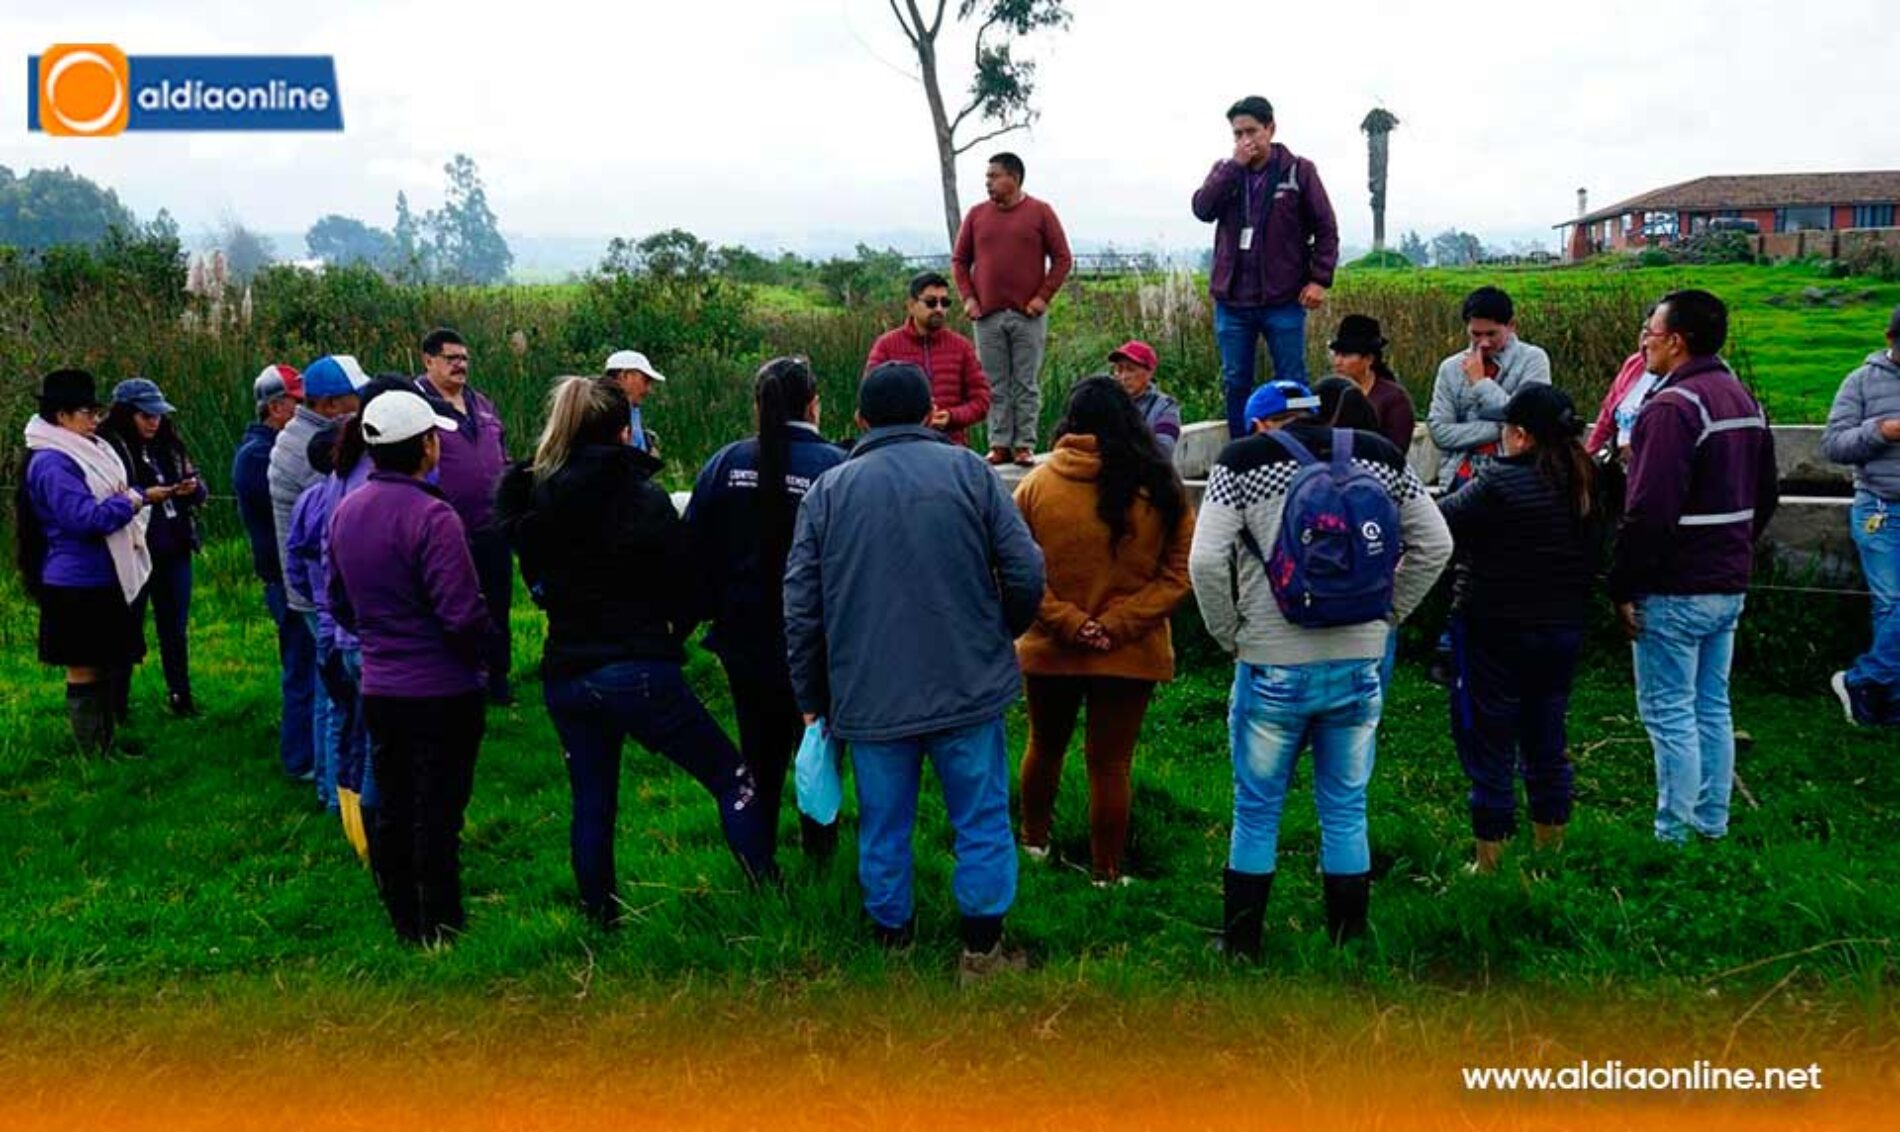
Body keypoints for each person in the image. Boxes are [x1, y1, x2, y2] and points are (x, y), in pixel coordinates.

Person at [784, 362, 1045, 983]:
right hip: (968, 684)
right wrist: (996, 633)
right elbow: (1026, 571)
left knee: (883, 822)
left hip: (869, 694)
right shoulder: (970, 474)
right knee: (980, 817)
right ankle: (981, 953)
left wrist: (811, 694)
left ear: (860, 421)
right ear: (932, 413)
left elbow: (801, 605)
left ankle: (892, 945)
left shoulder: (828, 491)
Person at [1188, 379, 1451, 960]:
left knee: (1256, 808)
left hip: (1272, 661)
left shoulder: (1242, 462)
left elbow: (1206, 560)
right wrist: (1389, 614)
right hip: (1359, 661)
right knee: (1345, 804)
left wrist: (1230, 634)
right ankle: (1346, 941)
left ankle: (1242, 945)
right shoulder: (1378, 456)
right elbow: (1435, 542)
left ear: (1264, 423)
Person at [498, 376, 775, 925]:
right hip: (637, 665)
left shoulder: (532, 498)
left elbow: (538, 583)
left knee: (593, 802)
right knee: (732, 778)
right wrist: (670, 636)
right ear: (624, 432)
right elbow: (687, 586)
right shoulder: (641, 499)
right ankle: (770, 896)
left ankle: (599, 918)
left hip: (566, 671)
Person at [1608, 290, 1778, 844]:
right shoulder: (1742, 399)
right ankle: (1712, 824)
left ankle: (1674, 836)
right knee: (1711, 705)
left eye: (1651, 332)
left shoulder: (1672, 408)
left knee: (1670, 713)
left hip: (1675, 585)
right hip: (1727, 580)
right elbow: (1767, 494)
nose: (1645, 341)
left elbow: (1649, 510)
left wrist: (1626, 584)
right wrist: (1733, 543)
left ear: (1676, 342)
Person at [1013, 376, 1194, 886]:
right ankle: (1106, 872)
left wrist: (1070, 623)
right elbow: (1179, 576)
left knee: (1044, 746)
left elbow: (1017, 573)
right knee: (1110, 764)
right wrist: (1115, 625)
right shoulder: (1161, 487)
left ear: (1070, 422)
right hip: (1129, 651)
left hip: (1051, 648)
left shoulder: (1036, 487)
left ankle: (1032, 844)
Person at [327, 390, 489, 945]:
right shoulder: (433, 516)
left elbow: (340, 601)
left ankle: (403, 920)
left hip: (381, 685)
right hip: (443, 688)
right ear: (425, 445)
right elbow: (461, 613)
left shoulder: (346, 511)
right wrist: (482, 657)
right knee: (439, 809)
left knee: (394, 804)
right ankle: (442, 923)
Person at [685, 357, 848, 860]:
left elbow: (691, 546)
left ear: (757, 406)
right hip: (819, 640)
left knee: (758, 751)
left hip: (743, 638)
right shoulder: (836, 468)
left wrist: (713, 609)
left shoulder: (725, 463)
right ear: (814, 404)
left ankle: (758, 858)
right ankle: (819, 850)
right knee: (817, 744)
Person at [1437, 385, 1601, 872]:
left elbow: (1439, 521)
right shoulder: (1589, 479)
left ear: (1522, 435)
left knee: (1488, 742)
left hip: (1494, 630)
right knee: (1546, 739)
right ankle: (1549, 852)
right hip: (1562, 630)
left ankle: (1492, 861)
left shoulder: (1499, 483)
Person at [16, 369, 156, 756]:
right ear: (61, 417)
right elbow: (83, 519)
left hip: (101, 574)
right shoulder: (52, 463)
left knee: (106, 662)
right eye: (87, 413)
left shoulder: (86, 450)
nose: (95, 421)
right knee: (83, 666)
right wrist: (131, 501)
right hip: (74, 580)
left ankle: (105, 744)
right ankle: (89, 752)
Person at [1191, 95, 1340, 439]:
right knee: (1235, 380)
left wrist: (1319, 279)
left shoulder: (1299, 171)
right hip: (1232, 301)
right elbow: (1202, 209)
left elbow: (1326, 228)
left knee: (1293, 379)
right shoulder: (1225, 172)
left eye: (1252, 131)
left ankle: (1301, 448)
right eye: (1237, 134)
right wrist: (1233, 168)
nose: (1245, 140)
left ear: (1271, 129)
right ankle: (1241, 454)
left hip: (1283, 298)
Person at [271, 353, 366, 800]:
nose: (359, 404)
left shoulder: (303, 434)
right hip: (320, 593)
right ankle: (333, 790)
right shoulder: (317, 451)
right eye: (353, 397)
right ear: (329, 403)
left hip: (310, 587)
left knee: (323, 688)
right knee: (336, 698)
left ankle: (321, 778)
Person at [412, 328, 514, 706]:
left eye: (464, 359)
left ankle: (498, 679)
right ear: (428, 360)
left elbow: (501, 452)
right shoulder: (416, 404)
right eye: (451, 358)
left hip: (492, 527)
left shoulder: (482, 404)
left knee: (497, 605)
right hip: (445, 531)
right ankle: (458, 678)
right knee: (453, 606)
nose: (460, 365)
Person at [952, 151, 1074, 467]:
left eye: (994, 176)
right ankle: (999, 443)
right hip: (987, 316)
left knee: (1025, 381)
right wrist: (969, 298)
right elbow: (960, 261)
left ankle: (1024, 445)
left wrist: (1042, 297)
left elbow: (1062, 259)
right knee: (994, 382)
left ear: (1014, 178)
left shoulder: (1040, 212)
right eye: (987, 177)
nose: (988, 183)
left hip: (1027, 315)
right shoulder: (977, 215)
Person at [99, 379, 207, 718]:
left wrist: (191, 488)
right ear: (126, 414)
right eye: (145, 415)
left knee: (174, 628)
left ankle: (181, 697)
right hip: (132, 551)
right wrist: (146, 495)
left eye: (157, 415)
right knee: (126, 630)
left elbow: (200, 487)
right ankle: (117, 707)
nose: (154, 422)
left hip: (174, 548)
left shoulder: (169, 445)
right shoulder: (110, 450)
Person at [234, 364, 315, 779]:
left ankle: (310, 753)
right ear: (277, 407)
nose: (304, 411)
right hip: (284, 579)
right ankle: (299, 758)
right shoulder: (258, 456)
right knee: (301, 669)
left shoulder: (273, 448)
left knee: (313, 667)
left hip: (290, 575)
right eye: (299, 403)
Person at [1822, 305, 1900, 726]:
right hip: (1882, 508)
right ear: (1891, 339)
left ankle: (1869, 686)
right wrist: (1881, 432)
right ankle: (1874, 690)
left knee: (1892, 609)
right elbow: (1833, 445)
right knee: (1892, 604)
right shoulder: (1862, 382)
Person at [1427, 286, 1552, 490]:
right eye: (1476, 334)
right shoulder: (1450, 368)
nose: (1484, 343)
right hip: (1460, 475)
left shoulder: (1533, 359)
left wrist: (1480, 383)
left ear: (1511, 326)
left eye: (1491, 334)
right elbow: (1440, 432)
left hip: (1516, 474)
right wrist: (1503, 428)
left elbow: (1530, 421)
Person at [863, 272, 992, 449]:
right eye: (931, 302)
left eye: (945, 303)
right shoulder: (886, 346)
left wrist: (952, 416)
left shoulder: (962, 347)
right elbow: (869, 399)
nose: (939, 309)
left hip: (950, 448)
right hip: (898, 449)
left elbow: (982, 400)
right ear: (911, 305)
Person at [1327, 315, 1416, 457]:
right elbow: (1299, 404)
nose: (1337, 362)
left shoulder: (1394, 398)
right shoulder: (1327, 392)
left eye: (1346, 355)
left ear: (1369, 359)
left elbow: (1396, 450)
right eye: (1336, 354)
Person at [1586, 315, 1662, 462]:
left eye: (1652, 333)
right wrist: (1586, 457)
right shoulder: (1635, 363)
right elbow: (1607, 415)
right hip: (1618, 464)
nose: (1645, 340)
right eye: (1644, 330)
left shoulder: (1683, 382)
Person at [1107, 340, 1183, 460]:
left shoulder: (1165, 407)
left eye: (1130, 369)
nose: (1123, 377)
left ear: (1149, 373)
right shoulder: (1106, 403)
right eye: (1119, 369)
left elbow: (1163, 450)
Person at [604, 349, 666, 455]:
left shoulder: (632, 408)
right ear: (625, 376)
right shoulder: (603, 412)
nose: (649, 390)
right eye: (645, 381)